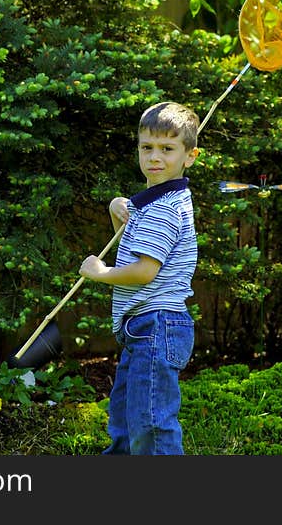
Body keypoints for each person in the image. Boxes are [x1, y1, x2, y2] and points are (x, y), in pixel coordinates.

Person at [79, 101, 199, 455]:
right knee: (125, 421)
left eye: (167, 149)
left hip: (156, 326)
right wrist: (122, 214)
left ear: (190, 156)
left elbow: (145, 271)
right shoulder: (155, 203)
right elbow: (136, 245)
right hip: (145, 328)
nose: (154, 158)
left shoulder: (165, 207)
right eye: (147, 148)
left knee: (150, 424)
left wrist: (100, 274)